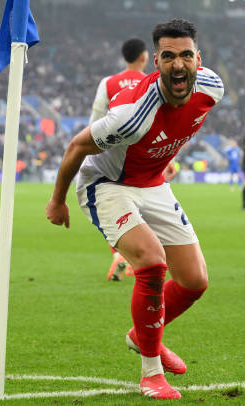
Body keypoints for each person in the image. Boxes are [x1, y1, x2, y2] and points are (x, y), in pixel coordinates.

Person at [46, 18, 223, 399]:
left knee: (194, 281)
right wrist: (57, 200)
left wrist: (164, 160)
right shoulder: (130, 115)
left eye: (186, 55)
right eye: (169, 56)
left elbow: (178, 127)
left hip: (153, 183)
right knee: (152, 263)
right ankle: (151, 373)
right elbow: (77, 147)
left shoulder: (212, 87)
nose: (179, 64)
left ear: (199, 59)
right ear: (155, 61)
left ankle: (142, 335)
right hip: (107, 185)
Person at [89, 37, 149, 281]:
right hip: (144, 158)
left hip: (112, 158)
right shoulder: (152, 82)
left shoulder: (108, 83)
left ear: (124, 57)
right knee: (142, 210)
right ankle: (132, 257)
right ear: (144, 57)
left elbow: (95, 122)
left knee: (113, 211)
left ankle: (119, 253)